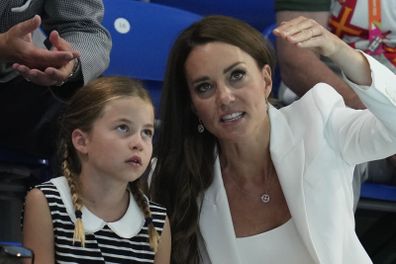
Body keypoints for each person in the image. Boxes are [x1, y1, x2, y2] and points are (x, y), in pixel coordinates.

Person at [150, 15, 396, 263]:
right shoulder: (176, 179)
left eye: (236, 75)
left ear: (266, 80)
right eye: (204, 87)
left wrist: (340, 51)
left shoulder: (318, 122)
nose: (224, 97)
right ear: (193, 107)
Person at [22, 77, 171, 263]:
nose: (139, 144)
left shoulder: (157, 222)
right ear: (82, 141)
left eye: (147, 132)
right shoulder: (46, 202)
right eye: (123, 128)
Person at [0, 1, 111, 158]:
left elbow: (83, 27)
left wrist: (69, 62)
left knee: (92, 105)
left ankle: (81, 182)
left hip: (14, 78)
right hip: (13, 65)